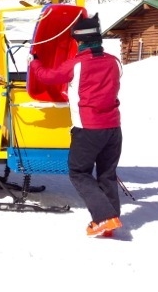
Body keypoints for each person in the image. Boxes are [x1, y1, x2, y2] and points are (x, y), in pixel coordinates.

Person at [29, 13, 123, 238]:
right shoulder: (114, 61)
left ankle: (104, 218)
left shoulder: (77, 64)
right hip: (114, 128)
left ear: (80, 41)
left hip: (88, 128)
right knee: (107, 174)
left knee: (79, 172)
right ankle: (110, 220)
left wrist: (35, 62)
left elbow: (48, 76)